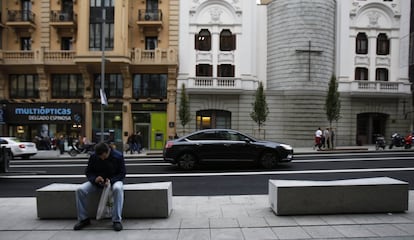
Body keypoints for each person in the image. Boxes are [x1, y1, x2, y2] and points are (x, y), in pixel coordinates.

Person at [74, 142, 126, 231]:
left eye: (102, 156)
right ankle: (83, 219)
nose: (101, 158)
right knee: (80, 190)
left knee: (118, 188)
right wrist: (95, 179)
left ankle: (117, 220)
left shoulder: (118, 156)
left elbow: (122, 173)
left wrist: (111, 181)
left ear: (107, 152)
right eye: (99, 156)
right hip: (97, 183)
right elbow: (88, 172)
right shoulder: (94, 156)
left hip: (114, 182)